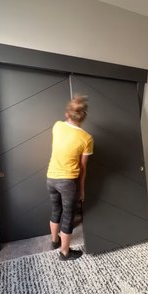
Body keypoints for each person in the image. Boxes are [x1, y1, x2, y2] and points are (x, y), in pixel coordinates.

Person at [46, 96, 93, 261]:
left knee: (55, 210)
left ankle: (54, 241)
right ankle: (65, 253)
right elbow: (83, 168)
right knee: (68, 216)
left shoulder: (57, 126)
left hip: (50, 178)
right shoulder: (86, 138)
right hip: (67, 182)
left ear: (67, 113)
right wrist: (82, 189)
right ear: (84, 117)